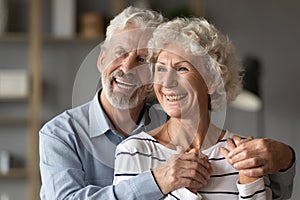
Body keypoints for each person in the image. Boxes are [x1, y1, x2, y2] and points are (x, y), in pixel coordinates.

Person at [39, 6, 295, 200]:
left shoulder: (176, 122)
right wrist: (158, 181)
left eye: (142, 61)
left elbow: (274, 192)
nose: (128, 69)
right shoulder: (61, 134)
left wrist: (286, 158)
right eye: (119, 53)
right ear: (101, 59)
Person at [113, 17, 272, 199]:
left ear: (212, 81)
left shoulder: (244, 155)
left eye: (182, 69)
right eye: (161, 69)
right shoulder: (134, 151)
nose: (166, 82)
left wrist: (249, 183)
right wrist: (183, 190)